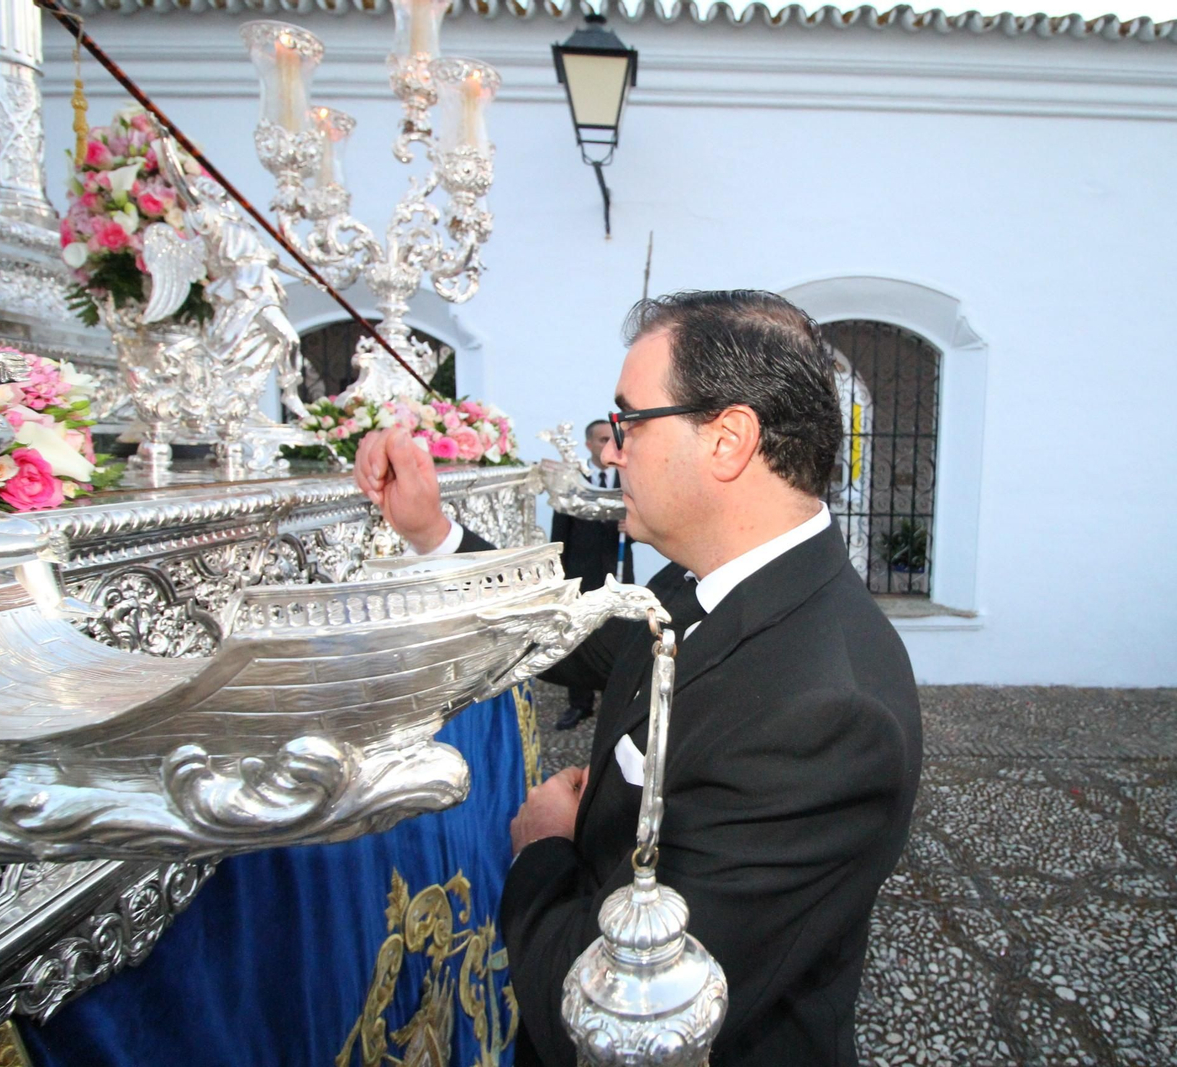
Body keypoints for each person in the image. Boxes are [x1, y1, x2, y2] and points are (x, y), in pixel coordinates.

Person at [354, 290, 922, 1067]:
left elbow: (619, 1021)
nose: (612, 448)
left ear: (727, 439)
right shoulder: (704, 582)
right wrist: (432, 533)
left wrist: (541, 850)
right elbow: (577, 635)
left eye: (630, 419)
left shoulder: (826, 718)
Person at [548, 418, 634, 731]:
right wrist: (560, 575)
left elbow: (642, 524)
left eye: (612, 439)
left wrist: (632, 528)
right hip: (580, 573)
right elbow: (560, 533)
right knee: (578, 636)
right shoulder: (575, 481)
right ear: (588, 444)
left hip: (617, 569)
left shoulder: (626, 477)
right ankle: (579, 704)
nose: (608, 446)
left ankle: (616, 700)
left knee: (617, 634)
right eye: (600, 439)